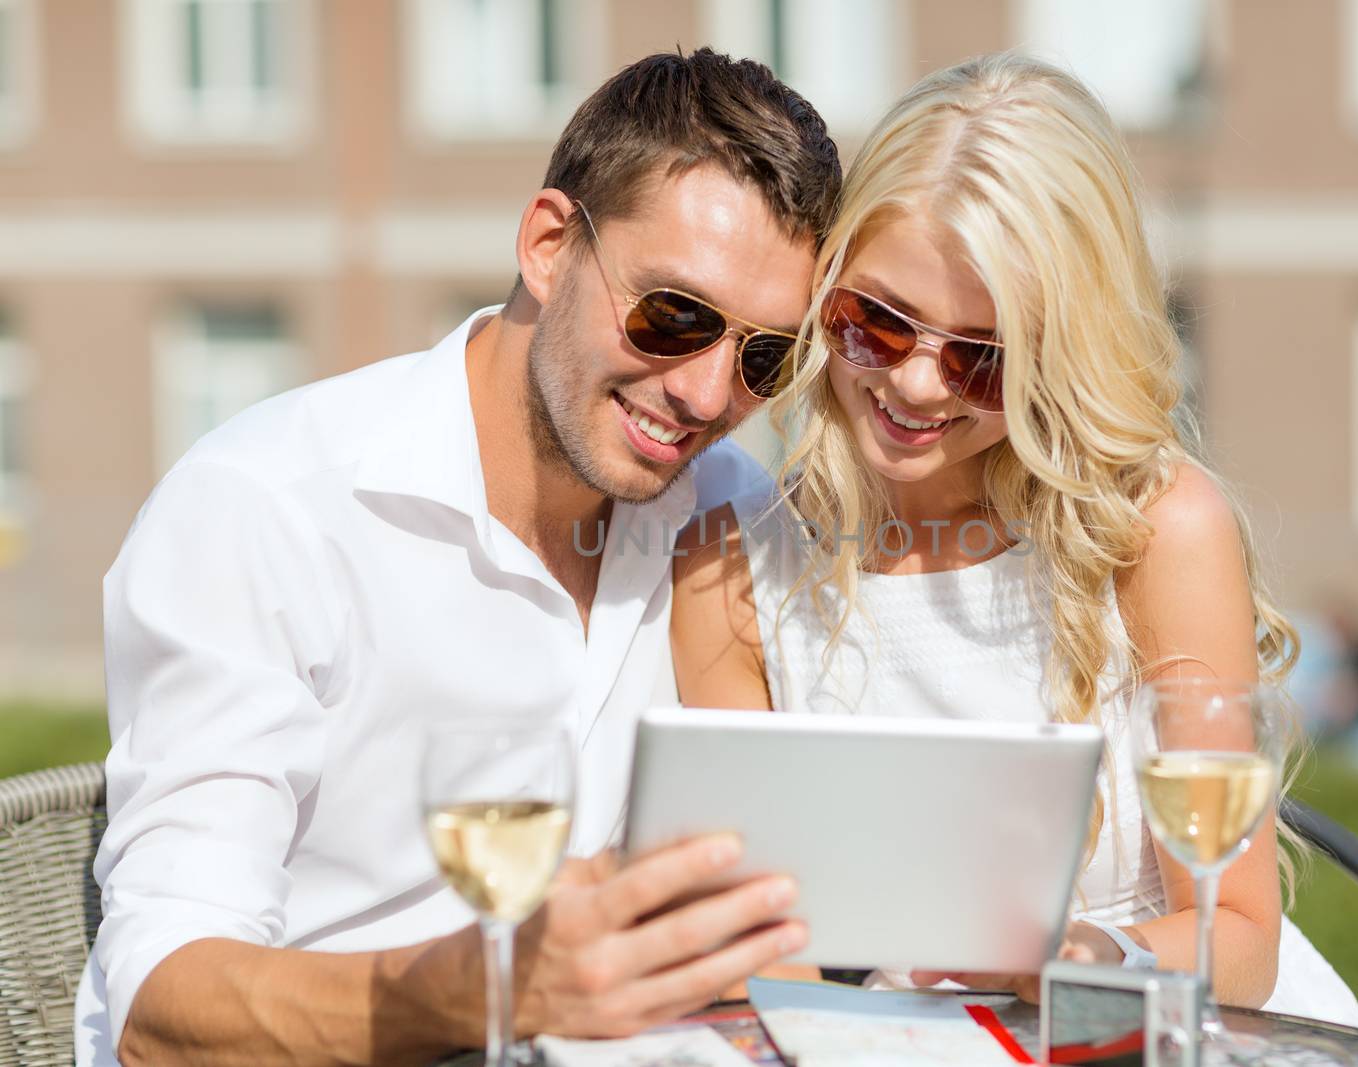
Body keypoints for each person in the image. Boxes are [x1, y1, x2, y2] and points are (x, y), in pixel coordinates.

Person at [78, 49, 840, 1066]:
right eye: (673, 316)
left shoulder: (734, 513)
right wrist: (488, 987)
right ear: (549, 244)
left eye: (762, 358)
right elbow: (157, 1011)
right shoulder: (266, 509)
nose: (706, 395)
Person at [672, 53, 1358, 1025]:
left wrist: (1087, 958)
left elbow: (1239, 935)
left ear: (1063, 352)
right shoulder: (731, 568)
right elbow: (739, 959)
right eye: (875, 322)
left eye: (982, 357)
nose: (915, 384)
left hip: (1157, 1030)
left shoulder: (1155, 529)